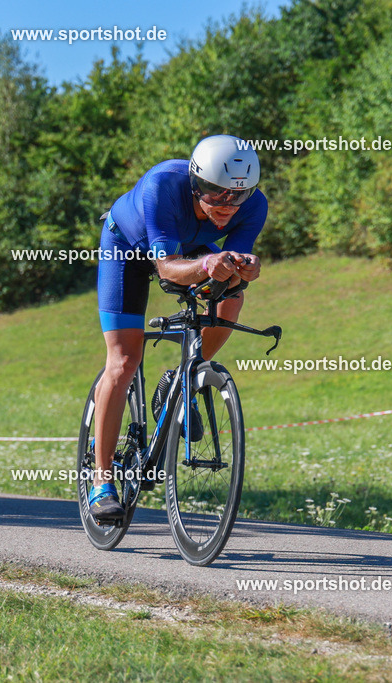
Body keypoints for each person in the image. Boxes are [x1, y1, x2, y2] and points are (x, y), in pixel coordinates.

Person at [89, 134, 267, 519]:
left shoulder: (254, 206)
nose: (227, 207)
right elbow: (168, 268)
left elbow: (232, 267)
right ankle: (101, 482)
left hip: (187, 249)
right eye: (215, 193)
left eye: (238, 197)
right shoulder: (162, 187)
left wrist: (243, 270)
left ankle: (180, 378)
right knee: (123, 361)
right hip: (129, 248)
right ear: (195, 181)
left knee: (233, 298)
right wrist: (207, 265)